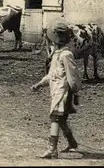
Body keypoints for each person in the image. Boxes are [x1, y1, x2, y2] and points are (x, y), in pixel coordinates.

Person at [31, 22, 81, 159]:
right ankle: (72, 143)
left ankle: (52, 149)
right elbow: (52, 75)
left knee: (55, 117)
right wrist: (40, 84)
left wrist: (76, 93)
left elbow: (73, 76)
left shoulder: (66, 55)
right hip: (56, 91)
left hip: (63, 92)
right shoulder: (56, 55)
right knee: (62, 120)